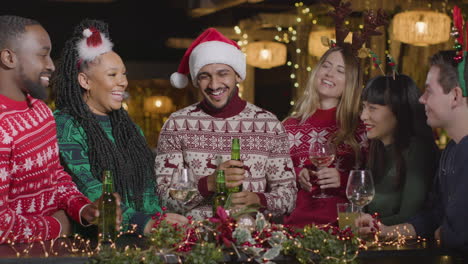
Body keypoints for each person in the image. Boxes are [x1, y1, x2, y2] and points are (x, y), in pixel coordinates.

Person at [52, 19, 187, 236]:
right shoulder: (66, 124)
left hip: (141, 238)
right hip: (94, 242)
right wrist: (142, 223)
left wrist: (161, 220)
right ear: (85, 81)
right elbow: (86, 185)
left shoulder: (129, 128)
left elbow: (148, 189)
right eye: (112, 74)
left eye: (123, 73)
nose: (123, 82)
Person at [0, 15, 121, 244]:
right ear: (9, 57)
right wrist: (60, 225)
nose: (50, 65)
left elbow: (55, 177)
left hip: (54, 252)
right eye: (41, 54)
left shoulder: (41, 111)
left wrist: (83, 209)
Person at [156, 27, 297, 220]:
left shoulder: (269, 124)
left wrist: (259, 199)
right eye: (205, 76)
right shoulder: (177, 125)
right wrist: (209, 184)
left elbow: (289, 197)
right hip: (195, 242)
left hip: (250, 241)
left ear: (238, 75)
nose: (214, 85)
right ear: (196, 80)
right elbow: (163, 199)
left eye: (223, 74)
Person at [358, 50, 468, 252]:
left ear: (455, 96)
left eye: (429, 91)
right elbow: (434, 216)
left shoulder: (439, 151)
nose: (421, 99)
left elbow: (457, 237)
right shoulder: (452, 150)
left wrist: (444, 233)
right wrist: (386, 230)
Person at [281, 45, 368, 228]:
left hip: (345, 231)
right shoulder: (288, 127)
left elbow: (374, 184)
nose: (329, 73)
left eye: (340, 71)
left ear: (350, 82)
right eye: (326, 66)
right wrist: (297, 175)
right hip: (296, 229)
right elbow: (272, 179)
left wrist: (343, 180)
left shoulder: (361, 127)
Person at [360, 74, 439, 226]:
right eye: (363, 107)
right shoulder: (377, 147)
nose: (363, 116)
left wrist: (364, 228)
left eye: (372, 108)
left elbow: (410, 217)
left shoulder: (417, 150)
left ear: (399, 110)